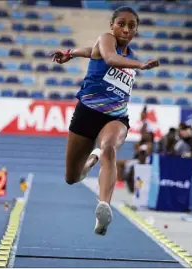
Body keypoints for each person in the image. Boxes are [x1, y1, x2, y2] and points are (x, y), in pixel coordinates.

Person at [50, 6, 160, 235]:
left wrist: (71, 52)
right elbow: (108, 57)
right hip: (87, 114)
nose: (126, 29)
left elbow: (91, 51)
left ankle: (104, 208)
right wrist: (139, 65)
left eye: (132, 26)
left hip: (116, 116)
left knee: (110, 148)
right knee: (72, 177)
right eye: (121, 23)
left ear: (136, 31)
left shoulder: (126, 57)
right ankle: (92, 160)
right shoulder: (107, 41)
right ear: (112, 25)